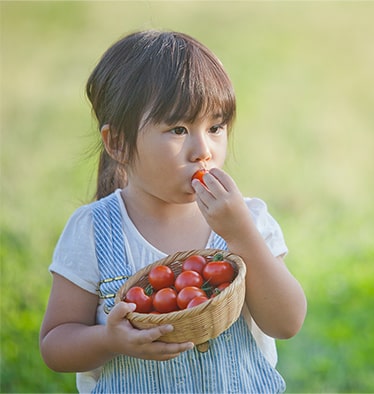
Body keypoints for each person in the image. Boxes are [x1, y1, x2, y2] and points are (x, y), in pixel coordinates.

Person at [39, 29, 307, 393]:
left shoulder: (248, 221)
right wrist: (108, 340)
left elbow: (287, 322)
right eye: (178, 129)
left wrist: (241, 235)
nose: (203, 150)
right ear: (117, 142)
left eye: (215, 127)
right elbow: (55, 345)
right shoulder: (93, 230)